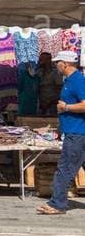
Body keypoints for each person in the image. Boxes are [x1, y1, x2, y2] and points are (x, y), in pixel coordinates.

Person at [39, 51, 85, 215]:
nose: (56, 64)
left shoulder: (77, 80)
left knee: (65, 168)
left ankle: (57, 204)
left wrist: (65, 107)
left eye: (58, 62)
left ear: (65, 64)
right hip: (75, 131)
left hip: (77, 133)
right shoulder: (70, 80)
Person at [36, 51, 62, 116]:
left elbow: (59, 88)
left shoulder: (55, 73)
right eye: (40, 59)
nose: (40, 61)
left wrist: (53, 101)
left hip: (52, 105)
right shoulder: (39, 72)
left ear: (48, 60)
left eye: (42, 60)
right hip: (41, 104)